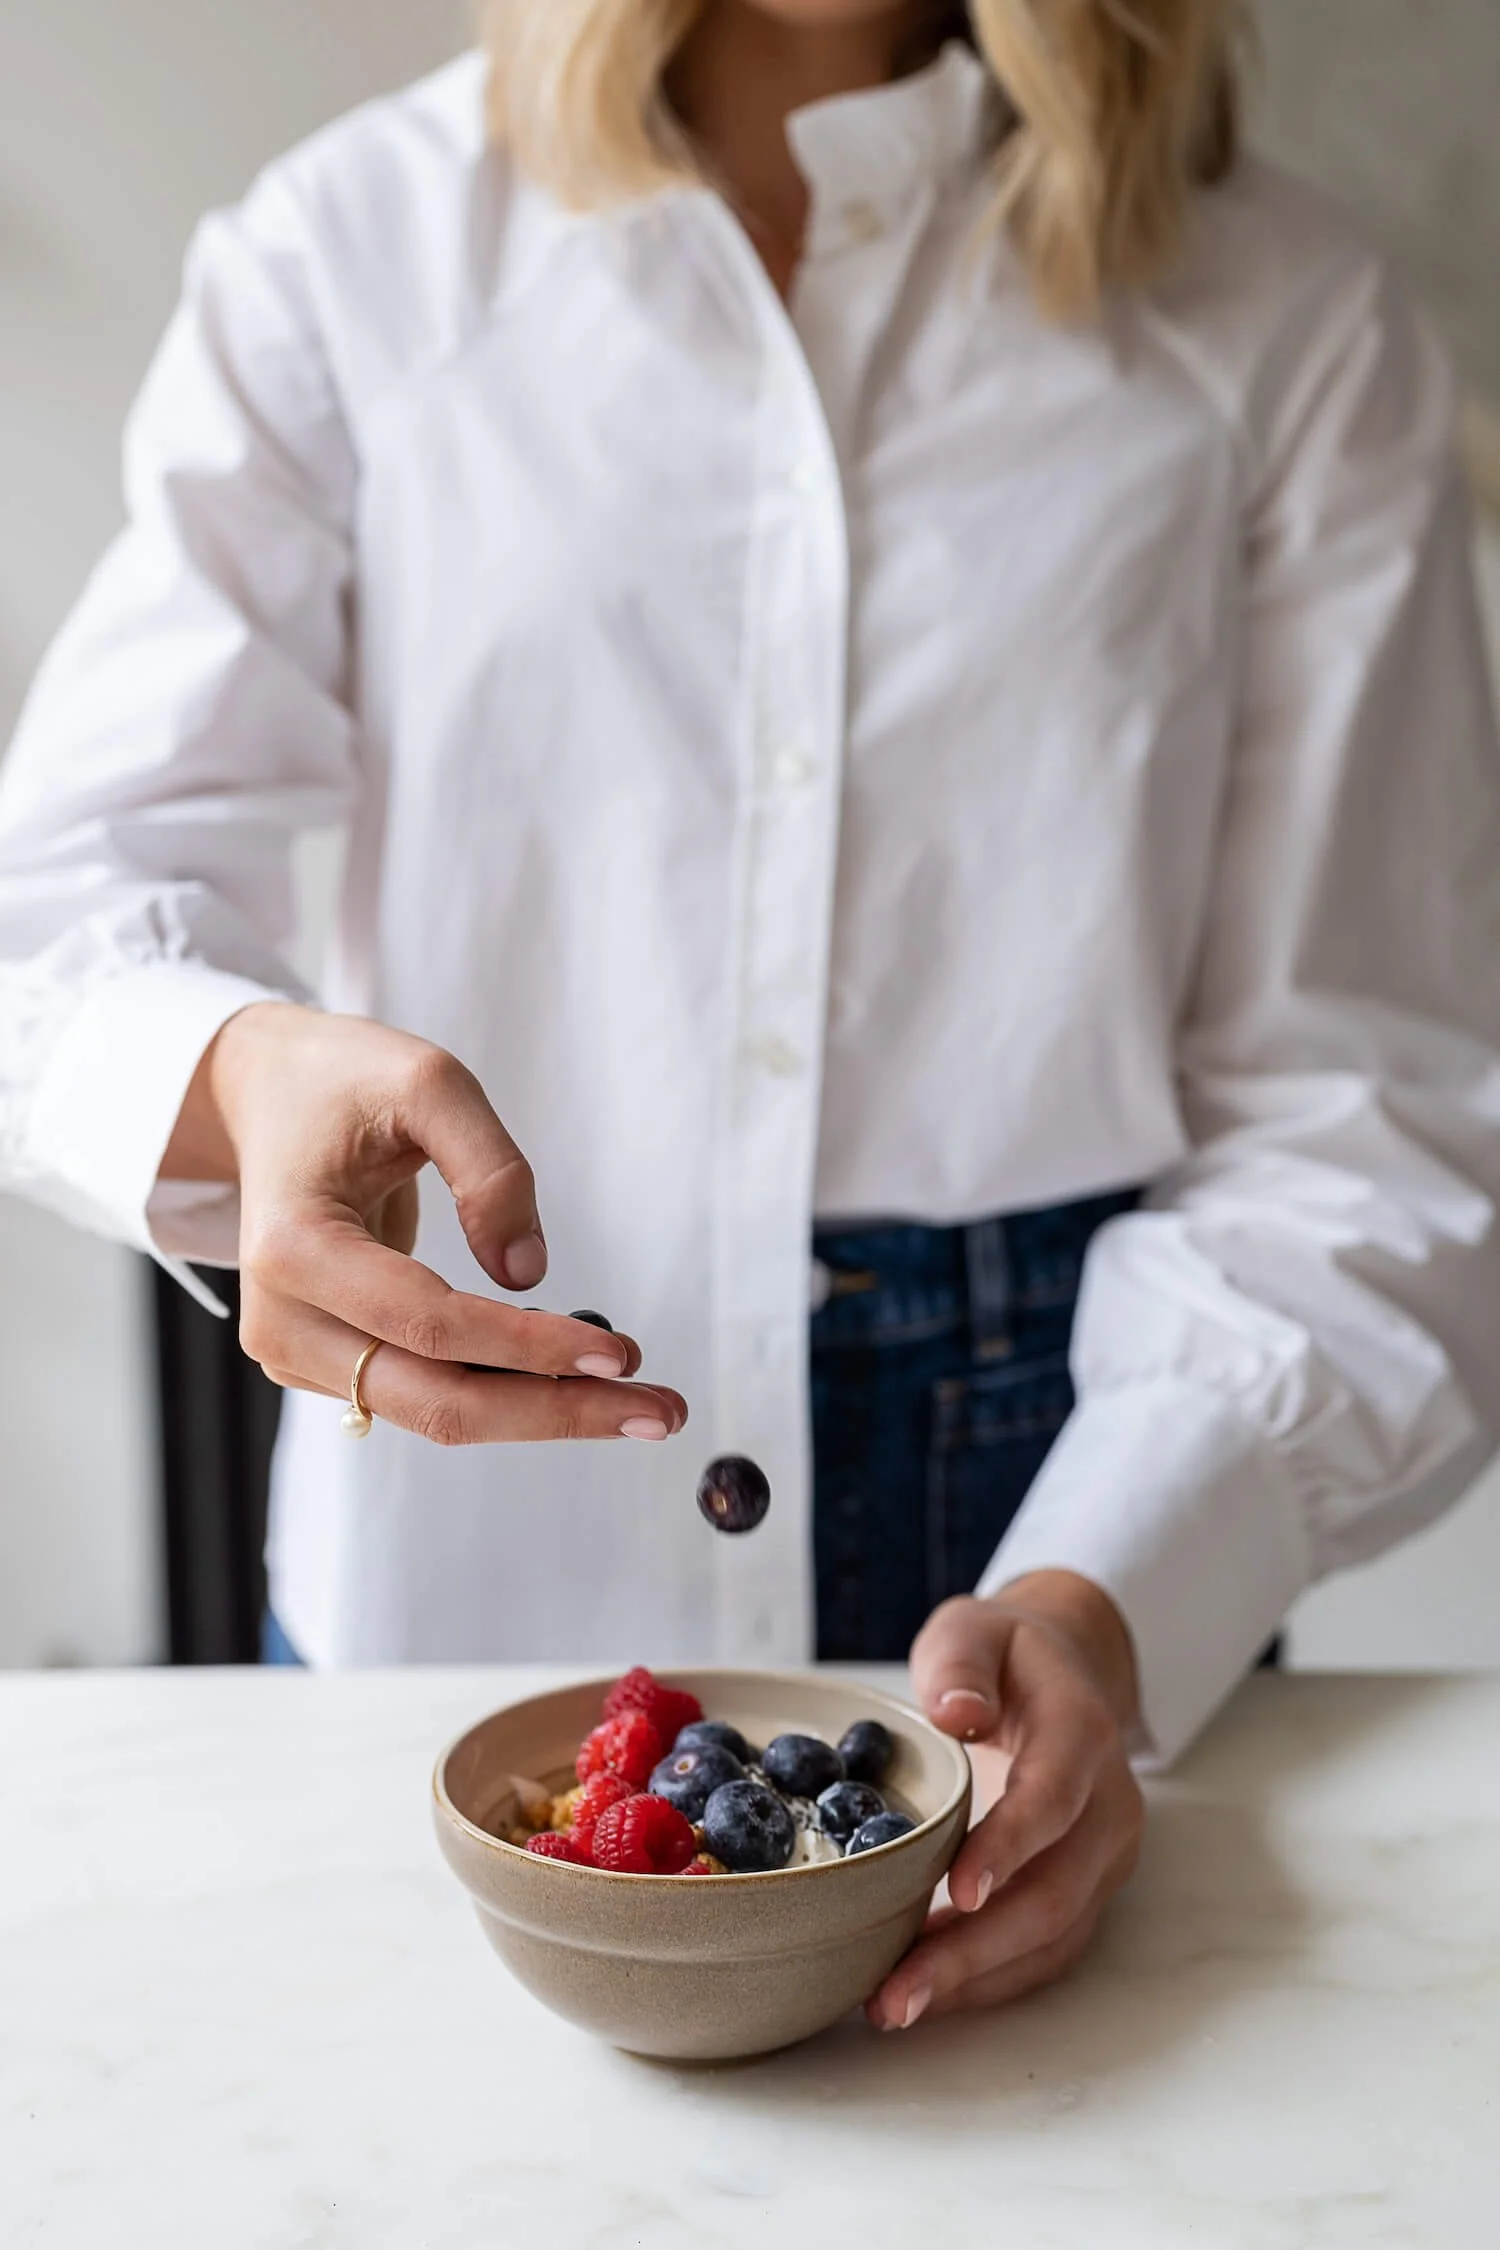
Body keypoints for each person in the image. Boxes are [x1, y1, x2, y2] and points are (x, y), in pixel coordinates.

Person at [2, 0, 1498, 2031]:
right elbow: (63, 910)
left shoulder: (1288, 327)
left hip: (1066, 1540)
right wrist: (245, 1072)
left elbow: (1362, 1095)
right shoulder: (348, 259)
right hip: (465, 1570)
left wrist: (1112, 1589)